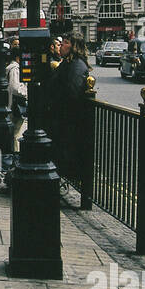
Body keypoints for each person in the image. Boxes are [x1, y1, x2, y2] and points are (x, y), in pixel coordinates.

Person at [48, 35, 91, 207]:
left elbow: (71, 92)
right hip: (61, 120)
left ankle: (83, 197)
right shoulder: (68, 63)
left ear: (74, 47)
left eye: (66, 43)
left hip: (68, 122)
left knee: (67, 158)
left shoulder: (76, 65)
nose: (61, 46)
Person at [7, 46, 27, 145]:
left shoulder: (11, 68)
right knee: (18, 133)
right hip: (16, 105)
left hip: (12, 104)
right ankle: (16, 154)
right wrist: (26, 93)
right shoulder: (15, 69)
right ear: (17, 57)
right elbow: (15, 87)